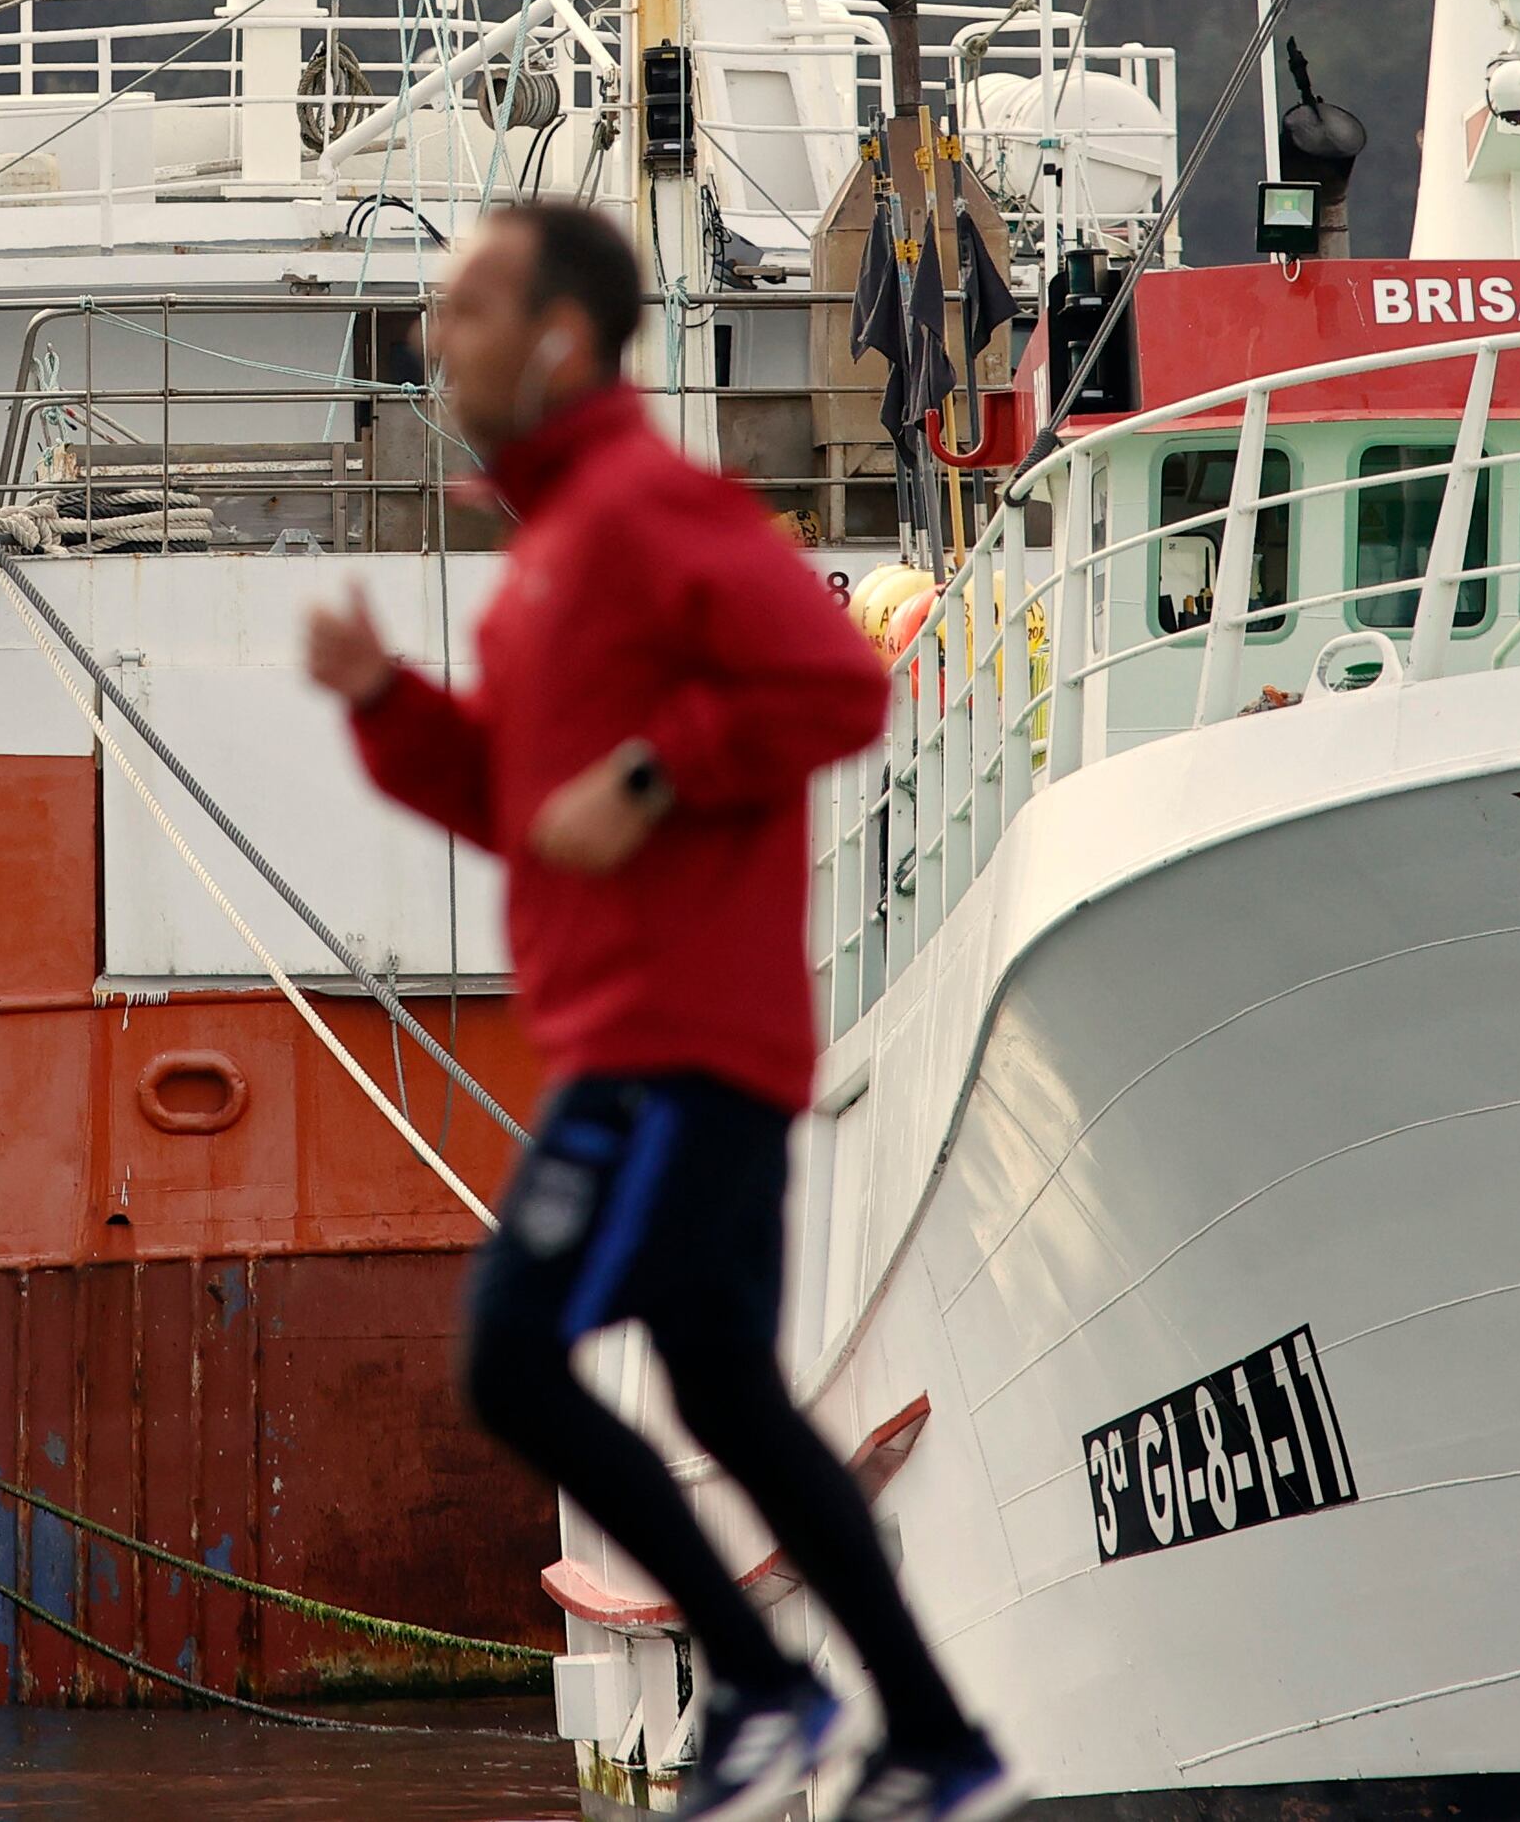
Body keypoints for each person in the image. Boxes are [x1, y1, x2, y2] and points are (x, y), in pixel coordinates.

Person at [303, 198, 1010, 1822]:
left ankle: (773, 1689)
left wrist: (653, 766)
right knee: (718, 1394)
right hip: (644, 1040)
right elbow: (525, 802)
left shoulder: (646, 511)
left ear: (559, 337)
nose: (434, 335)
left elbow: (838, 685)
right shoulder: (550, 551)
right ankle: (926, 1731)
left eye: (466, 306)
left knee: (515, 1361)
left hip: (679, 1049)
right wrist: (390, 710)